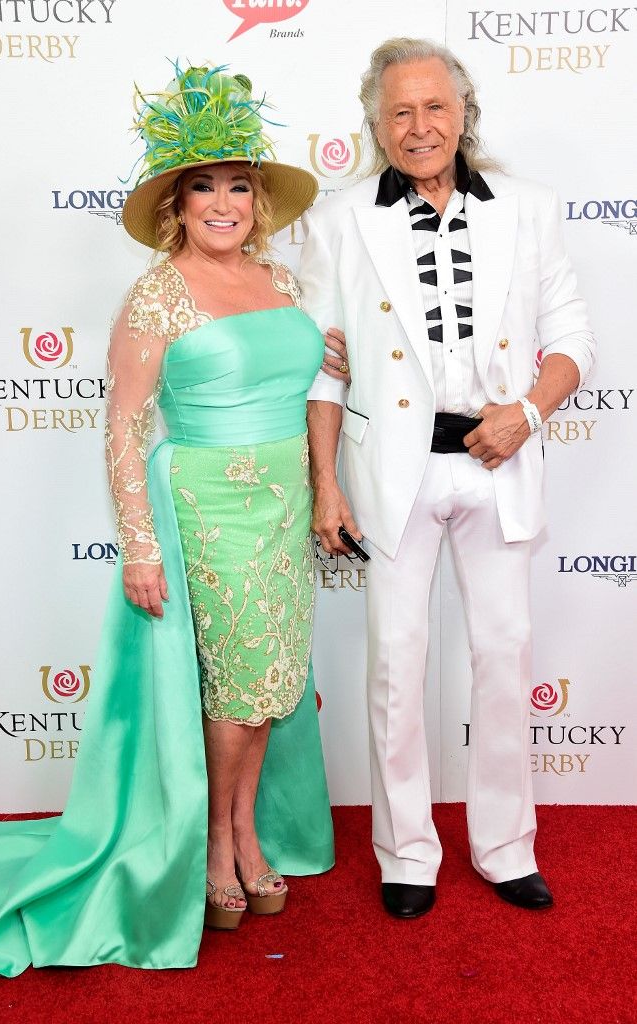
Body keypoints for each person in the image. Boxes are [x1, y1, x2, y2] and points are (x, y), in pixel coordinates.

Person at [0, 62, 344, 975]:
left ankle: (246, 828)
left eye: (238, 185)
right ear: (177, 205)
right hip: (207, 508)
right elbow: (125, 426)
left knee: (269, 687)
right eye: (204, 187)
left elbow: (303, 377)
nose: (223, 203)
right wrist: (139, 546)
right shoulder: (157, 295)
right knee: (235, 689)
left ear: (257, 201)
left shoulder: (280, 280)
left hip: (284, 509)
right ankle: (215, 845)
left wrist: (332, 388)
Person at [301, 38, 595, 919]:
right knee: (396, 663)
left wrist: (528, 413)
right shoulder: (337, 219)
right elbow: (323, 369)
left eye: (435, 106)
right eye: (400, 111)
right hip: (393, 473)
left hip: (497, 461)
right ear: (376, 123)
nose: (419, 126)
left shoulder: (529, 208)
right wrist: (325, 484)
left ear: (464, 112)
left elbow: (573, 339)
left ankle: (506, 847)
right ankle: (406, 854)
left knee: (503, 654)